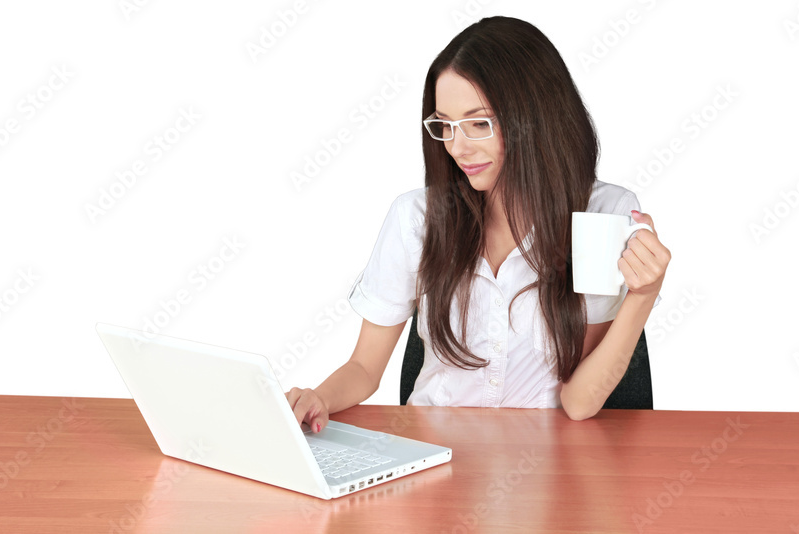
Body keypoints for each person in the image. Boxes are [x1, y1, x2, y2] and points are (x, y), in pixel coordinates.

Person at [286, 16, 670, 432]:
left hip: (546, 466)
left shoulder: (603, 216)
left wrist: (643, 295)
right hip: (433, 458)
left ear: (536, 116)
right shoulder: (416, 218)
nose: (457, 146)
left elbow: (579, 403)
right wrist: (318, 398)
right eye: (445, 125)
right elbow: (364, 366)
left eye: (478, 123)